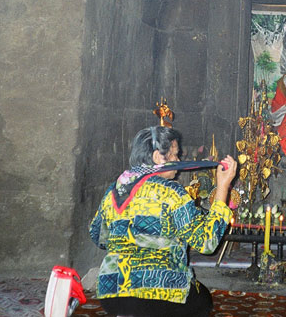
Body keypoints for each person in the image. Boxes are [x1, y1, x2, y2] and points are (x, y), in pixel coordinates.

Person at [89, 126, 237, 317]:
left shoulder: (114, 190)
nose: (178, 161)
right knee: (203, 301)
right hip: (161, 293)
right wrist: (223, 187)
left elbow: (97, 237)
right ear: (159, 157)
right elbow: (207, 243)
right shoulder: (171, 192)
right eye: (175, 155)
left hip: (113, 293)